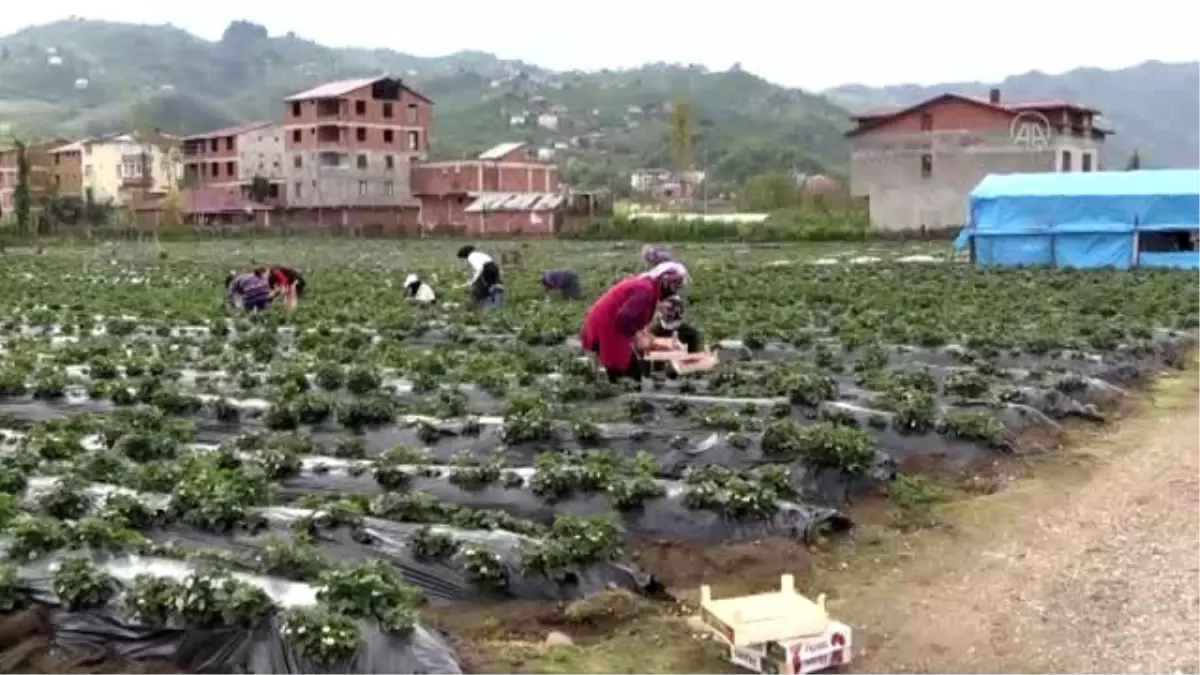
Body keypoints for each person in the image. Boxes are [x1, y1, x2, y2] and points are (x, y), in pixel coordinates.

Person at [579, 262, 689, 382]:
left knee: (629, 371)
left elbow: (634, 318)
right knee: (626, 373)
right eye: (674, 286)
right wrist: (639, 338)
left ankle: (613, 385)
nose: (674, 291)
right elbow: (625, 319)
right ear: (665, 282)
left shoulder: (647, 286)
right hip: (610, 327)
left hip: (608, 324)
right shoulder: (645, 291)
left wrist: (644, 336)